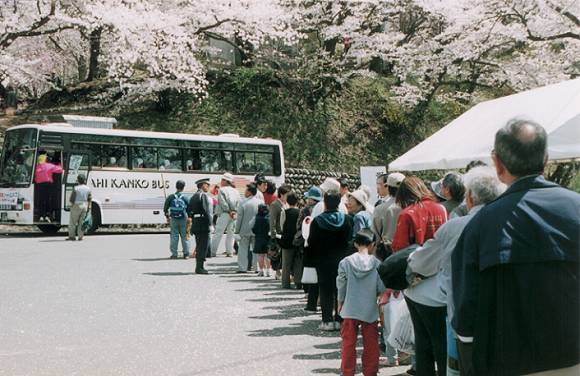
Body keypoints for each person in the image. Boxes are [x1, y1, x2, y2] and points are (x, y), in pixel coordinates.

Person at [452, 119, 580, 376]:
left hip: (507, 361)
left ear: (498, 164)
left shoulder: (480, 225)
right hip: (573, 355)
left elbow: (466, 310)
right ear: (545, 160)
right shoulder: (576, 209)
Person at [406, 166, 505, 376]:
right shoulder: (508, 224)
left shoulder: (455, 227)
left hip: (461, 317)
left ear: (469, 197)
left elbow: (421, 263)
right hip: (502, 319)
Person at [392, 176, 447, 376]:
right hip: (440, 280)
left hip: (415, 282)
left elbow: (399, 249)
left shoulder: (407, 214)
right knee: (441, 339)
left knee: (422, 339)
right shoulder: (441, 209)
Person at [337, 229, 385, 376]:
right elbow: (380, 288)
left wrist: (340, 302)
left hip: (350, 308)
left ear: (356, 243)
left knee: (348, 344)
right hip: (369, 309)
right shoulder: (377, 264)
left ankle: (348, 371)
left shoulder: (345, 262)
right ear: (372, 244)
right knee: (371, 344)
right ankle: (370, 372)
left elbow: (341, 285)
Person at [308, 189, 353, 331]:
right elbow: (350, 241)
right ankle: (340, 320)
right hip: (342, 260)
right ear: (339, 203)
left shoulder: (317, 221)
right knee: (341, 289)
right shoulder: (347, 220)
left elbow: (311, 242)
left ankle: (327, 321)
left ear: (325, 203)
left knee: (325, 290)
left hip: (323, 261)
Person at [299, 186, 324, 312]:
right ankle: (319, 300)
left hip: (310, 245)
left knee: (312, 275)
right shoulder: (324, 207)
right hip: (323, 245)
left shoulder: (306, 211)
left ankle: (312, 302)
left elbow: (301, 227)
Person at [210, 173, 240, 257]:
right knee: (231, 234)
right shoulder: (236, 191)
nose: (221, 181)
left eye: (222, 179)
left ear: (226, 181)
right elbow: (239, 202)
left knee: (218, 233)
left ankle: (212, 252)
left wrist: (229, 210)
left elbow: (223, 203)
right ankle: (229, 252)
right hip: (234, 214)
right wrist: (234, 211)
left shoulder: (222, 190)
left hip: (224, 214)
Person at [188, 178, 213, 274]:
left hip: (196, 223)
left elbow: (189, 210)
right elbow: (206, 211)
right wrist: (210, 224)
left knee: (199, 245)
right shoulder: (203, 196)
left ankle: (199, 266)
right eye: (207, 185)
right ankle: (200, 267)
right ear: (202, 185)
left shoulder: (194, 196)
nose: (208, 187)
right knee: (203, 246)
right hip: (203, 224)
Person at [235, 183, 260, 273]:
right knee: (256, 250)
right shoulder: (260, 202)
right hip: (257, 230)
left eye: (246, 190)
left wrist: (237, 230)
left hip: (244, 230)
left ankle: (242, 268)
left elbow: (239, 218)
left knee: (243, 249)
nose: (245, 192)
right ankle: (257, 267)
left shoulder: (243, 203)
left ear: (249, 192)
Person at [280, 192, 302, 289]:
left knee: (286, 264)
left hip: (286, 240)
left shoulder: (284, 212)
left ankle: (285, 283)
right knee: (298, 262)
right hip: (297, 240)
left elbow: (281, 226)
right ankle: (298, 282)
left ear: (287, 201)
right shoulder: (300, 212)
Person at [163, 180, 190, 259]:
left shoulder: (171, 197)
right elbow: (189, 209)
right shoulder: (185, 198)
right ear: (183, 187)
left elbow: (165, 209)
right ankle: (186, 254)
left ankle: (174, 254)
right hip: (183, 218)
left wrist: (167, 217)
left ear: (176, 186)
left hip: (173, 219)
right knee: (185, 236)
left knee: (174, 236)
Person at [269, 184, 291, 279]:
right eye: (287, 194)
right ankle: (277, 272)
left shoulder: (286, 204)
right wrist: (273, 233)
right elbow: (272, 220)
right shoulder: (275, 205)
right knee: (277, 253)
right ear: (281, 194)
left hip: (285, 232)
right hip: (278, 232)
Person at [34, 154, 63, 222]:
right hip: (48, 185)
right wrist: (59, 164)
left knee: (41, 200)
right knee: (48, 200)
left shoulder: (36, 167)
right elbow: (60, 170)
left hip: (39, 185)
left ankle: (41, 216)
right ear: (45, 159)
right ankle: (47, 216)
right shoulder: (49, 165)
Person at [67, 174, 92, 241]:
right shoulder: (88, 188)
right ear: (84, 180)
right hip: (84, 206)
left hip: (76, 205)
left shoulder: (76, 188)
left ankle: (72, 237)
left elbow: (72, 199)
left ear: (78, 180)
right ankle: (80, 236)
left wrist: (71, 205)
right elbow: (89, 199)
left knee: (73, 222)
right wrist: (89, 207)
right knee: (81, 222)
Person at [252, 204, 272, 276]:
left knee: (260, 255)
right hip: (268, 238)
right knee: (268, 255)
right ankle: (268, 271)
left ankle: (261, 271)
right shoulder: (269, 217)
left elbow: (253, 228)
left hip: (259, 238)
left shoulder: (257, 217)